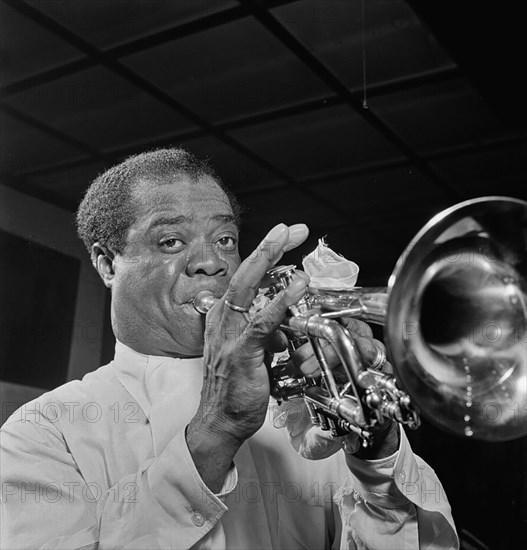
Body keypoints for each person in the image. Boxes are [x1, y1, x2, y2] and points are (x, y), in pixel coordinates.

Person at [0, 148, 458, 549]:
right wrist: (218, 426)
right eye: (171, 241)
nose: (212, 262)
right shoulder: (44, 432)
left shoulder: (305, 408)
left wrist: (374, 448)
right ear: (106, 263)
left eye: (225, 240)